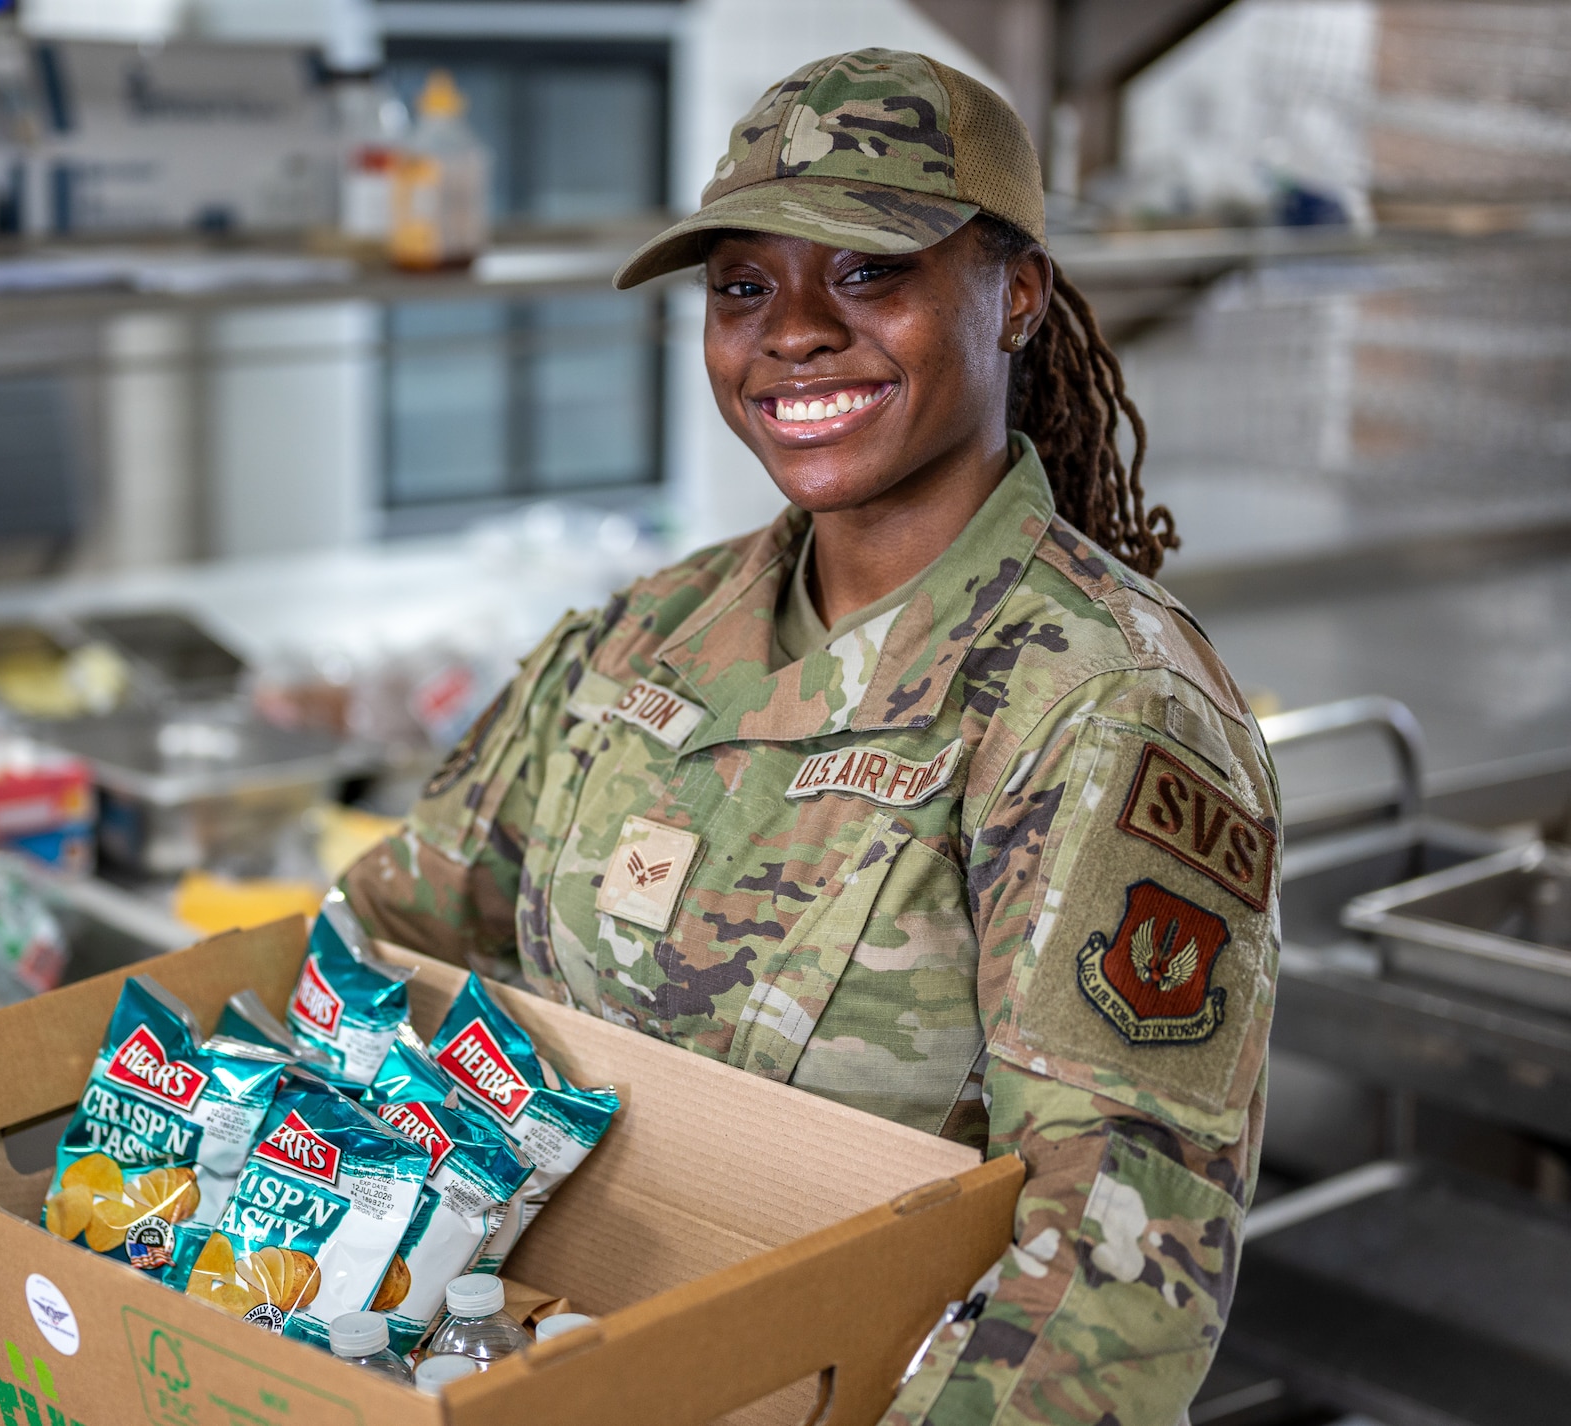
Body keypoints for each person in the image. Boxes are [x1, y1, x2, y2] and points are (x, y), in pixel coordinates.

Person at [343, 48, 1277, 1426]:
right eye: (742, 286)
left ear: (1014, 297)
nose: (790, 331)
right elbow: (387, 935)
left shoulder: (1101, 705)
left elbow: (1114, 1283)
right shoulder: (637, 636)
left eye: (867, 271)